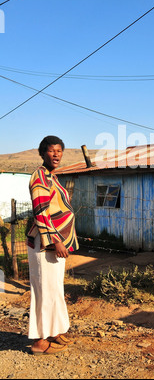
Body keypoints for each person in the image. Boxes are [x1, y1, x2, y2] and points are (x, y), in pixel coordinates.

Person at [26, 136, 79, 355]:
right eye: (51, 151)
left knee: (54, 288)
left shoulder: (52, 177)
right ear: (42, 153)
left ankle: (54, 332)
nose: (56, 154)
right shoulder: (39, 176)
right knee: (45, 290)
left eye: (59, 151)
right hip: (45, 243)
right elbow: (41, 212)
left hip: (53, 242)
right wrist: (56, 240)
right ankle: (40, 341)